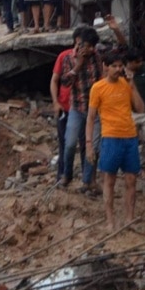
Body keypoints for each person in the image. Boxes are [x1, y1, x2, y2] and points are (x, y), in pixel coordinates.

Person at [86, 50, 145, 231]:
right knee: (109, 181)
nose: (118, 69)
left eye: (120, 66)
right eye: (114, 66)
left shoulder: (126, 84)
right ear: (105, 67)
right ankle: (110, 221)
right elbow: (90, 117)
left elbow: (141, 108)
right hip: (110, 137)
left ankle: (129, 219)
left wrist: (132, 85)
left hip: (130, 137)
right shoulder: (98, 88)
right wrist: (89, 143)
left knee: (131, 181)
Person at [59, 29, 103, 190]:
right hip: (77, 107)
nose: (91, 50)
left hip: (95, 109)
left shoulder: (97, 57)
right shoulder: (69, 59)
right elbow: (64, 83)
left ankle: (87, 180)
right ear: (80, 43)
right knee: (70, 143)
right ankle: (67, 174)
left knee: (94, 146)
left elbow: (101, 79)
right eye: (89, 46)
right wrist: (78, 66)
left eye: (93, 46)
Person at [51, 29, 87, 180]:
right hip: (64, 107)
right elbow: (55, 80)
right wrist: (55, 102)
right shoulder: (64, 57)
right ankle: (63, 175)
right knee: (65, 143)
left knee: (86, 143)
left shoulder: (93, 59)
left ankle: (87, 177)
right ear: (75, 41)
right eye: (80, 42)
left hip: (82, 108)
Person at [124, 48, 145, 169]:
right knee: (128, 139)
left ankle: (144, 165)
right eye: (137, 62)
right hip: (129, 112)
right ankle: (128, 165)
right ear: (129, 62)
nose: (140, 64)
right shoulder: (121, 73)